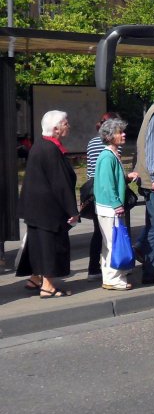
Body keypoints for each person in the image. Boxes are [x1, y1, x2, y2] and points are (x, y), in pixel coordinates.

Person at [17, 110, 79, 298]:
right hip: (48, 210)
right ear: (56, 129)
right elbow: (60, 183)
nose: (68, 125)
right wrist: (72, 210)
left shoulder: (40, 145)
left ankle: (35, 278)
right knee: (51, 246)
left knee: (37, 244)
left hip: (36, 208)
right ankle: (48, 286)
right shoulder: (51, 149)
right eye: (65, 123)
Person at [85, 111, 137, 280]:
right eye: (119, 132)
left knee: (108, 242)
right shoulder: (108, 156)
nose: (123, 134)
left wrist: (126, 177)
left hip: (106, 205)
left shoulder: (110, 154)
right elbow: (107, 184)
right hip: (109, 207)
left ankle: (110, 276)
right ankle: (114, 278)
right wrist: (117, 204)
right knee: (113, 243)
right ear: (109, 136)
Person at [133, 79, 154, 284]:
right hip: (153, 182)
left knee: (153, 225)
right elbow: (153, 149)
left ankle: (150, 266)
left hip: (148, 179)